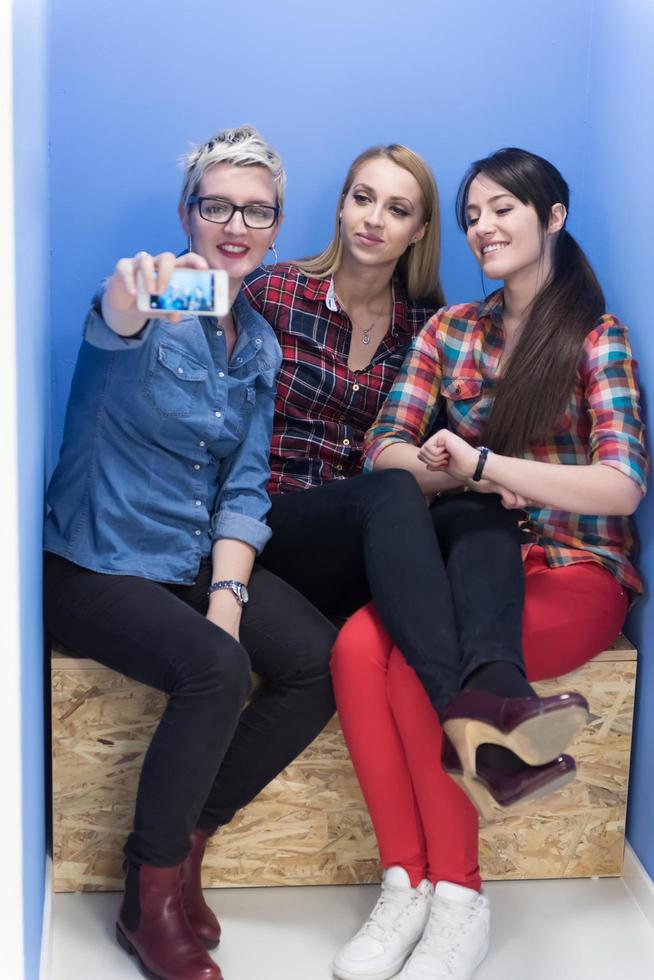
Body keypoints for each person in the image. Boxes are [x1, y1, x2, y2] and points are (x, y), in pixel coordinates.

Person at [330, 147, 647, 980]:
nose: (483, 228)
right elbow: (383, 448)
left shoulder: (596, 338)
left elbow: (619, 486)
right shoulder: (451, 331)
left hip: (575, 567)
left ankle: (459, 900)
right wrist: (444, 468)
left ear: (552, 218)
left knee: (410, 677)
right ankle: (406, 882)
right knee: (358, 648)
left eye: (503, 209)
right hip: (471, 554)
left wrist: (484, 467)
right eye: (472, 215)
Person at [44, 125, 336, 980]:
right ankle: (147, 892)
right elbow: (119, 314)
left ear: (277, 228)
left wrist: (228, 595)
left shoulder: (260, 346)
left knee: (317, 659)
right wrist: (143, 294)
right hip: (94, 565)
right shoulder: (151, 298)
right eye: (217, 206)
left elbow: (246, 488)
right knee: (213, 670)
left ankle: (192, 837)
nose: (235, 223)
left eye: (256, 211)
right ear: (189, 212)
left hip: (187, 564)